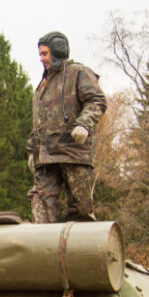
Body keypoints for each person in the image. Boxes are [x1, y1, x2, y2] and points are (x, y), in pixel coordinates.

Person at [26, 31, 107, 223]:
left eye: (44, 53)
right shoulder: (42, 86)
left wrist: (84, 124)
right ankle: (46, 249)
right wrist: (31, 151)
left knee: (81, 210)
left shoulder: (78, 72)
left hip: (73, 151)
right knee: (41, 208)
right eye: (40, 54)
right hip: (45, 157)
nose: (41, 58)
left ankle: (83, 251)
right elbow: (39, 122)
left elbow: (97, 100)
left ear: (58, 51)